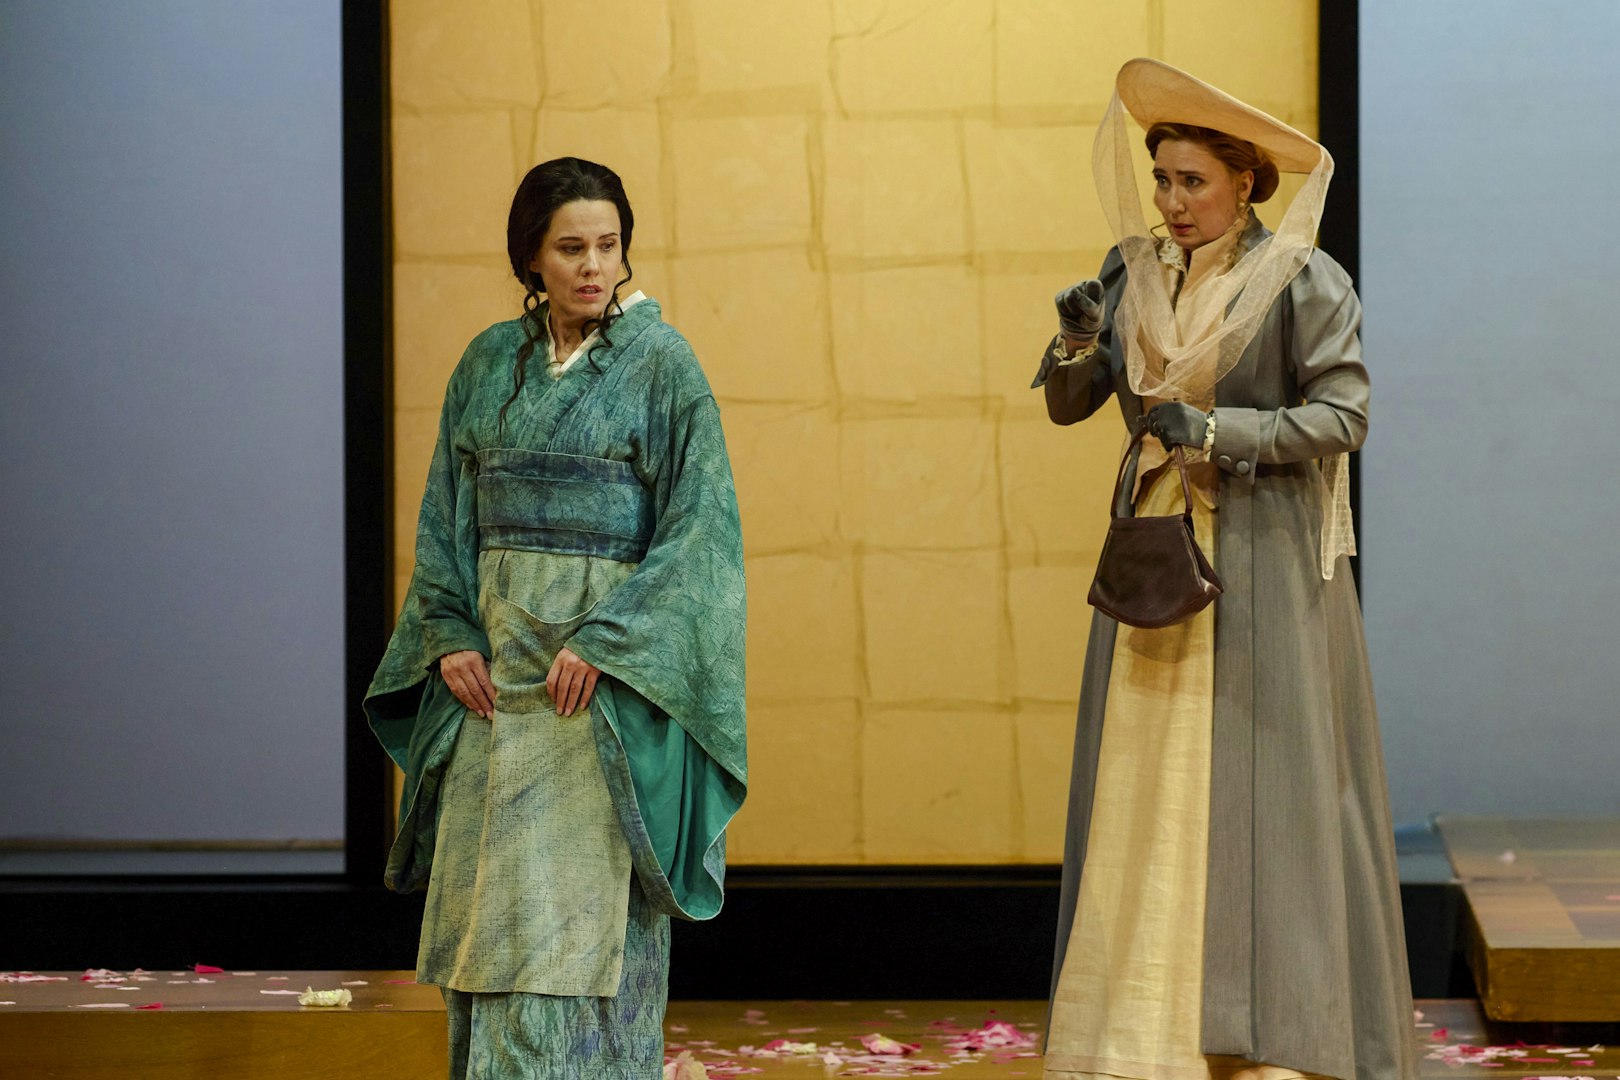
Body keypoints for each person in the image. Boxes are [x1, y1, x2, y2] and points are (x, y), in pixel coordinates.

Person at [1034, 60, 1416, 1080]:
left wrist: (1218, 427)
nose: (1171, 201)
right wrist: (1077, 340)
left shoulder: (1303, 280)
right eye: (1161, 179)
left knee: (1262, 783)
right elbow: (1071, 406)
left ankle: (1269, 1027)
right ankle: (1141, 1020)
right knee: (1144, 775)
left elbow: (1346, 415)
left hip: (1260, 559)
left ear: (1246, 183)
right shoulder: (1135, 276)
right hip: (1156, 551)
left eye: (1192, 181)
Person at [364, 157, 747, 1078]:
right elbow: (445, 519)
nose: (592, 266)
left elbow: (701, 535)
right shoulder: (490, 362)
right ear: (529, 257)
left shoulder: (663, 363)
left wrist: (613, 645)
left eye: (608, 246)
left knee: (576, 947)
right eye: (570, 247)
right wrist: (449, 631)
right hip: (496, 690)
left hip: (594, 700)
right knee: (487, 945)